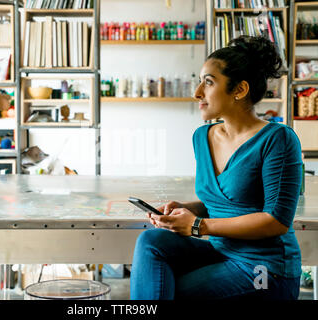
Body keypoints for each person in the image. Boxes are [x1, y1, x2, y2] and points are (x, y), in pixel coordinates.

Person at [130, 36, 303, 300]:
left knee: (174, 292)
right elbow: (223, 202)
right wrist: (187, 209)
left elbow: (276, 221)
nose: (197, 92)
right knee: (151, 242)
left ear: (240, 89)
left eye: (208, 82)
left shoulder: (278, 139)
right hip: (222, 250)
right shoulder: (202, 137)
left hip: (266, 270)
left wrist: (199, 226)